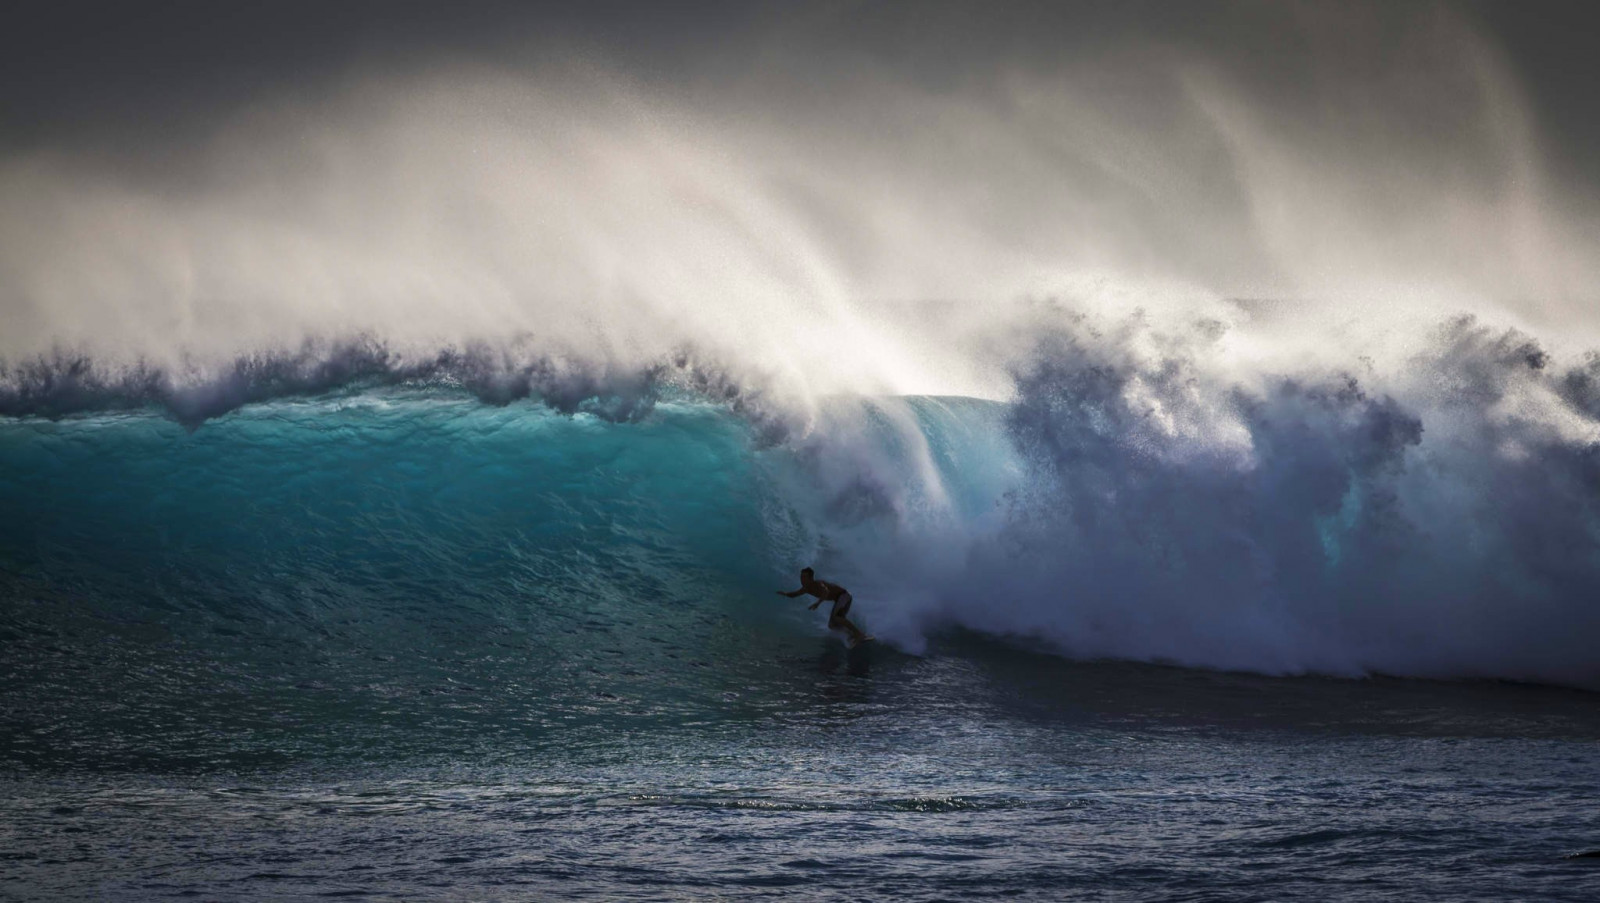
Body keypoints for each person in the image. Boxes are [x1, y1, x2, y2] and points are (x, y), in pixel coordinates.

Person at [777, 567, 872, 646]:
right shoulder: (806, 589)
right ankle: (852, 634)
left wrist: (817, 603)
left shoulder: (818, 584)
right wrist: (785, 594)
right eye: (801, 577)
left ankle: (859, 635)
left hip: (844, 596)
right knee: (832, 625)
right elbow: (795, 594)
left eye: (805, 577)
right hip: (839, 600)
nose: (802, 579)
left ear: (811, 578)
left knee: (837, 617)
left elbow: (826, 592)